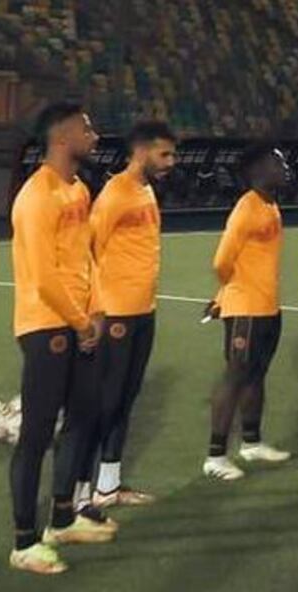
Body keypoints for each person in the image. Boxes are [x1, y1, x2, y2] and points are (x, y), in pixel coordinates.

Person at [8, 102, 115, 575]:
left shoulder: (80, 190)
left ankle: (62, 517)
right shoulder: (35, 197)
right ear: (62, 137)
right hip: (45, 326)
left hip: (78, 323)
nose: (94, 134)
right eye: (86, 127)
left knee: (84, 417)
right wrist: (79, 322)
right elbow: (44, 277)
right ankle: (23, 541)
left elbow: (84, 257)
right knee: (36, 434)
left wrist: (95, 310)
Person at [87, 120, 177, 508]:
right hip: (118, 313)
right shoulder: (115, 194)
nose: (171, 161)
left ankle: (108, 485)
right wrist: (96, 310)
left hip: (144, 311)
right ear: (141, 152)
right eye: (164, 153)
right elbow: (89, 249)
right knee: (107, 400)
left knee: (126, 397)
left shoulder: (145, 191)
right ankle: (77, 490)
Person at [201, 144, 292, 481]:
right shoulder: (247, 208)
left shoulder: (270, 205)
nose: (284, 166)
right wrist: (229, 294)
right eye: (277, 161)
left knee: (257, 374)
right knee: (236, 376)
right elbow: (221, 261)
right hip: (246, 309)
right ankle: (215, 455)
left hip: (268, 306)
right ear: (258, 169)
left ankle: (251, 442)